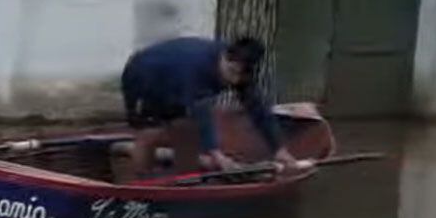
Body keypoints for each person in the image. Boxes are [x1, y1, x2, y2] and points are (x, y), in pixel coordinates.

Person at [120, 36, 313, 176]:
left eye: (241, 75)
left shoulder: (241, 73)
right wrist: (217, 154)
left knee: (186, 128)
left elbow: (258, 109)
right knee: (149, 133)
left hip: (176, 83)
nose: (234, 79)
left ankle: (186, 180)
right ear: (224, 58)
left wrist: (279, 149)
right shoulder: (198, 68)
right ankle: (143, 184)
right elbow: (201, 112)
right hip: (144, 76)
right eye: (231, 71)